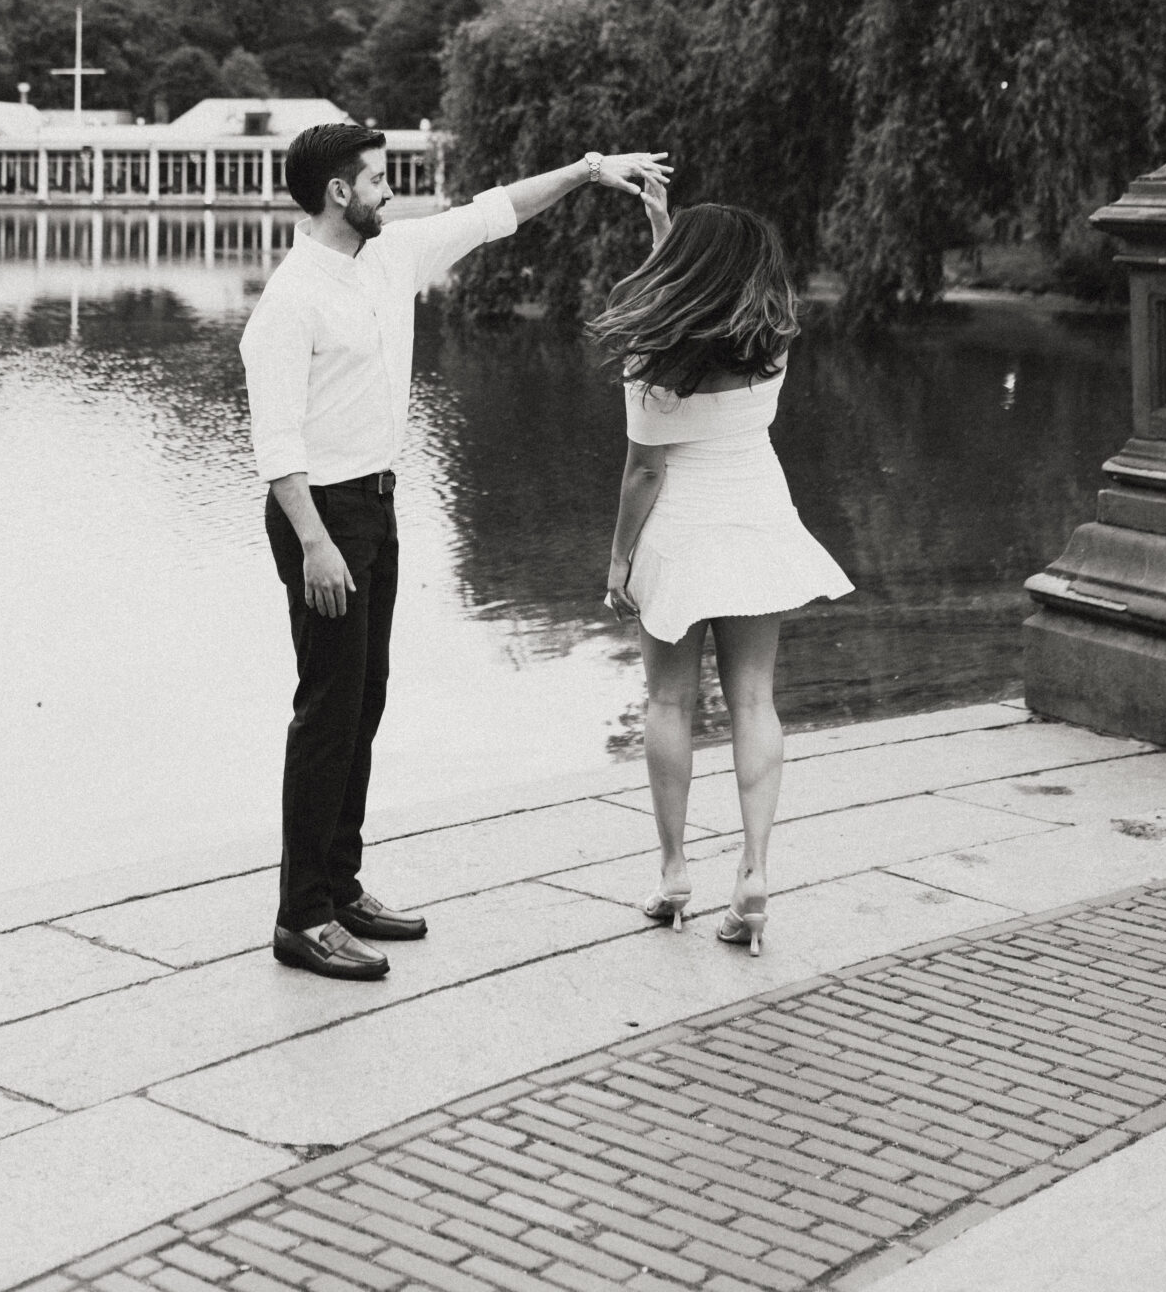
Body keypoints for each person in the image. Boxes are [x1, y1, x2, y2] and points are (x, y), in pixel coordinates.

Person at [242, 120, 671, 982]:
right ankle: (302, 918)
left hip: (375, 502)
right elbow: (275, 444)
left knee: (364, 701)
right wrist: (317, 546)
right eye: (377, 180)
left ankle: (342, 884)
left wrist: (589, 167)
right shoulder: (290, 300)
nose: (389, 191)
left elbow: (493, 212)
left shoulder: (388, 257)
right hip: (320, 518)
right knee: (325, 711)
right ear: (338, 193)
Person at [590, 182, 851, 953]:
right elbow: (705, 299)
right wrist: (664, 232)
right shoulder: (772, 344)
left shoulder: (651, 359)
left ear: (680, 267)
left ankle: (673, 873)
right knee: (753, 702)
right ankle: (755, 874)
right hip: (756, 522)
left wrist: (617, 564)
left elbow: (644, 473)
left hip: (679, 533)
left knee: (668, 705)